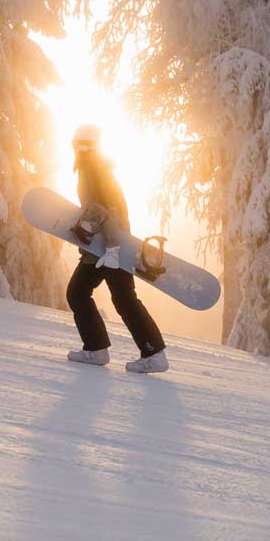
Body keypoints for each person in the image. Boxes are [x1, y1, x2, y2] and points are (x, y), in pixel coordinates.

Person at [65, 124, 168, 373]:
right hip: (110, 244)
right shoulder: (98, 168)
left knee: (79, 293)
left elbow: (110, 211)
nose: (82, 149)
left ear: (95, 146)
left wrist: (111, 249)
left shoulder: (93, 169)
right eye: (78, 145)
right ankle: (151, 353)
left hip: (107, 246)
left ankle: (98, 349)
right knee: (122, 297)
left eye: (87, 145)